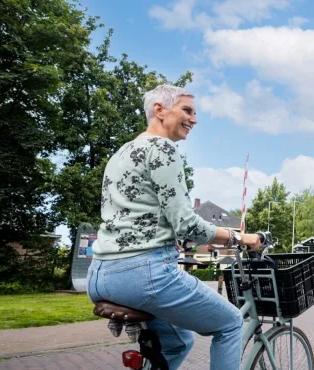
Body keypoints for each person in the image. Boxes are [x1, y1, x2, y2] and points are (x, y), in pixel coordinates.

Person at [86, 85, 261, 370]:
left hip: (100, 275)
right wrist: (238, 237)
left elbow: (137, 215)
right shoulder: (162, 148)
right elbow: (187, 223)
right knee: (230, 324)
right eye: (187, 110)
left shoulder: (121, 153)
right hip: (144, 276)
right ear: (159, 110)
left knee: (179, 342)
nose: (194, 119)